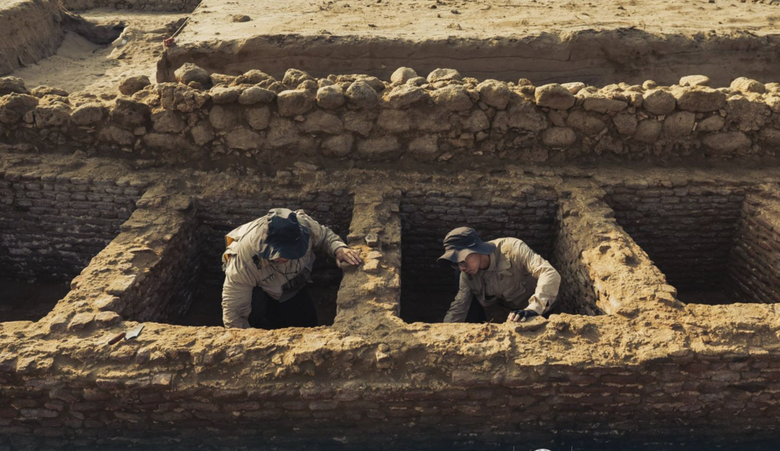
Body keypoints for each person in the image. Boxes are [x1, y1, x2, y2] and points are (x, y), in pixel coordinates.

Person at [221, 208, 361, 329]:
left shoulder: (301, 226)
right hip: (258, 291)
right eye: (277, 253)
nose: (284, 258)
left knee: (309, 325)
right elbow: (234, 312)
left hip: (291, 287)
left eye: (290, 252)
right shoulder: (242, 261)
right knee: (257, 317)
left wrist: (339, 248)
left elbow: (324, 236)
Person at [437, 227, 561, 323]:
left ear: (476, 250)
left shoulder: (513, 249)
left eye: (463, 261)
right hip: (505, 317)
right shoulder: (466, 276)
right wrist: (443, 331)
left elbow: (549, 272)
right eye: (456, 264)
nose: (461, 268)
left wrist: (534, 309)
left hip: (537, 309)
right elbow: (459, 306)